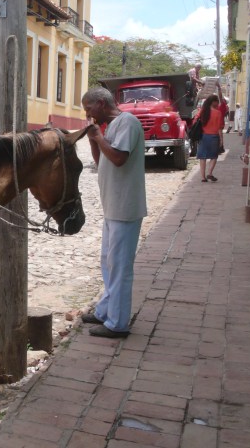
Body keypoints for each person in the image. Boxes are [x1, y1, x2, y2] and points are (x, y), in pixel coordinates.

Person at [80, 87, 147, 339]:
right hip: (113, 206)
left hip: (125, 207)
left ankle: (117, 323)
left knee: (119, 266)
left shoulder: (127, 122)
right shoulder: (110, 127)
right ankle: (105, 310)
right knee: (108, 262)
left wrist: (98, 137)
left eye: (88, 107)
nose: (87, 112)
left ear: (100, 103)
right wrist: (93, 140)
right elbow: (103, 162)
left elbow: (119, 158)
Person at [195, 94, 225, 182]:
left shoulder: (203, 111)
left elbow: (196, 120)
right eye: (217, 102)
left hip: (203, 136)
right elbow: (220, 128)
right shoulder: (218, 113)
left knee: (202, 157)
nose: (218, 103)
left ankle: (203, 177)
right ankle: (210, 173)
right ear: (213, 102)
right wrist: (221, 140)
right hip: (214, 137)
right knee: (214, 156)